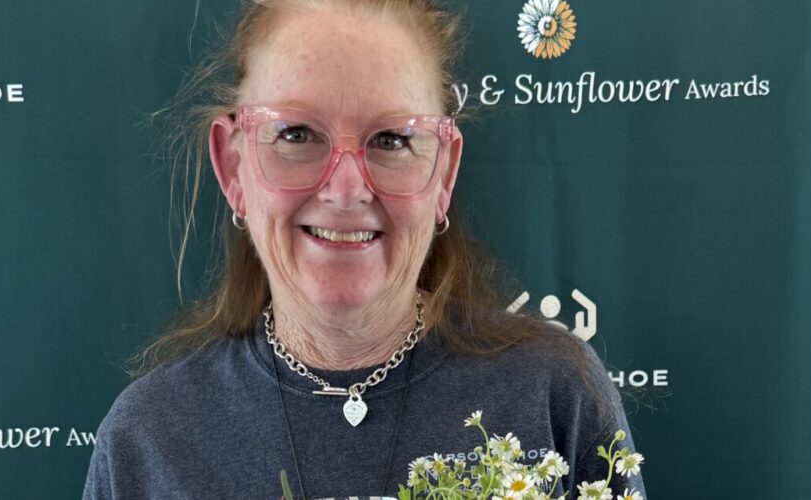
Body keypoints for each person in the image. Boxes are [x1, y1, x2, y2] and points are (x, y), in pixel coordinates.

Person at [83, 0, 646, 498]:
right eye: (297, 135)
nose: (346, 190)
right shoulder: (148, 440)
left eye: (392, 140)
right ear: (233, 166)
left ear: (443, 174)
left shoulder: (552, 397)